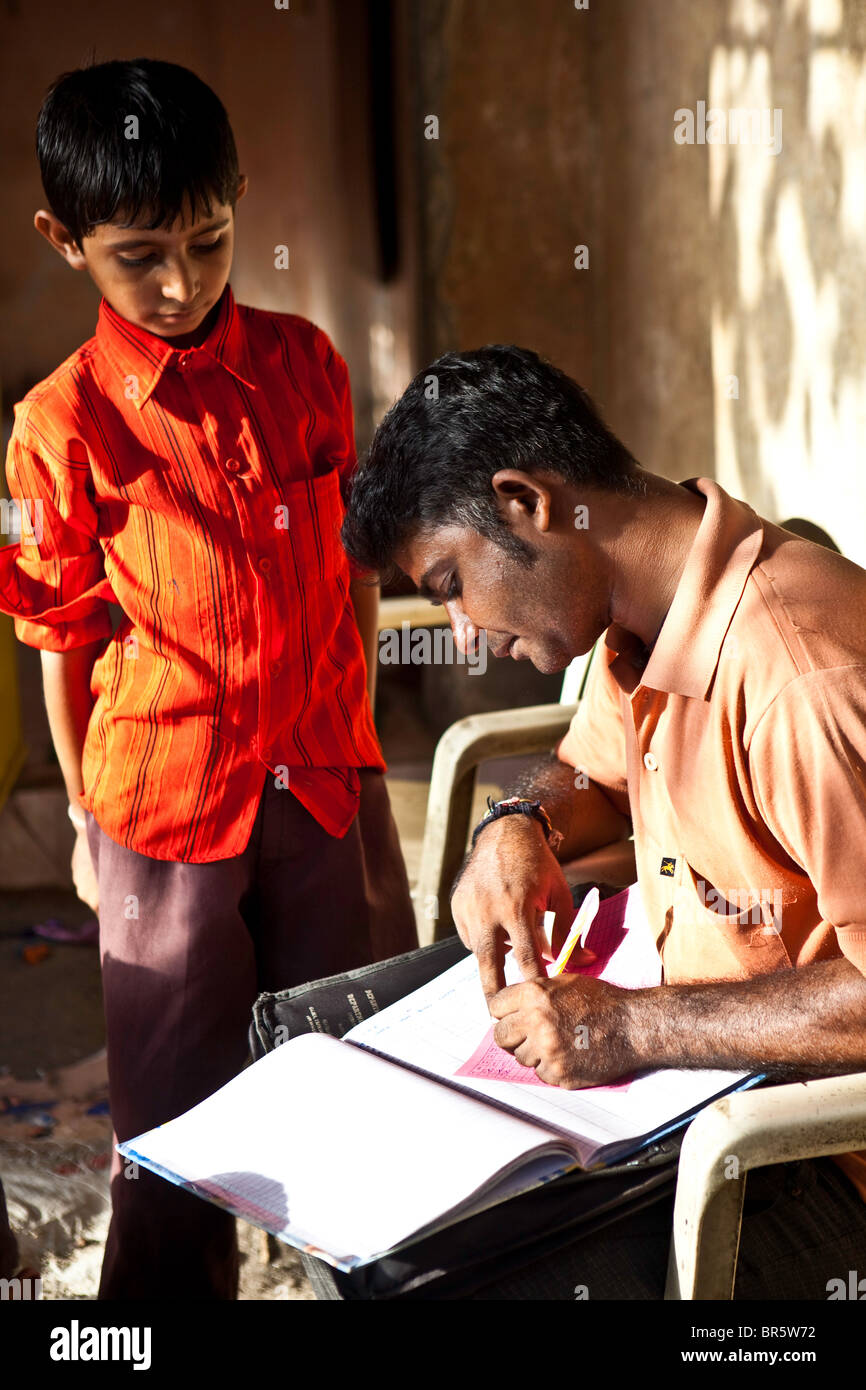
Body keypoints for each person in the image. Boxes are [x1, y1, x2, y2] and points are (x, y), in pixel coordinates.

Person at [0, 57, 415, 1300]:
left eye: (209, 240)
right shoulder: (55, 427)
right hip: (160, 816)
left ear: (238, 199)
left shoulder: (306, 367)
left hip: (328, 794)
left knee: (373, 1093)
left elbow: (350, 575)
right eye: (139, 256)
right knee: (180, 1146)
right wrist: (84, 820)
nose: (181, 284)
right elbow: (59, 644)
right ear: (63, 240)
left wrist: (356, 735)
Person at [340, 343, 866, 1298]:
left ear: (523, 502)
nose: (462, 635)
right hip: (717, 1097)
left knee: (437, 1279)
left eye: (451, 585)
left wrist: (631, 1031)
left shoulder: (801, 681)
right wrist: (517, 824)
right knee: (343, 1116)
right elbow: (590, 770)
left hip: (827, 1163)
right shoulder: (640, 617)